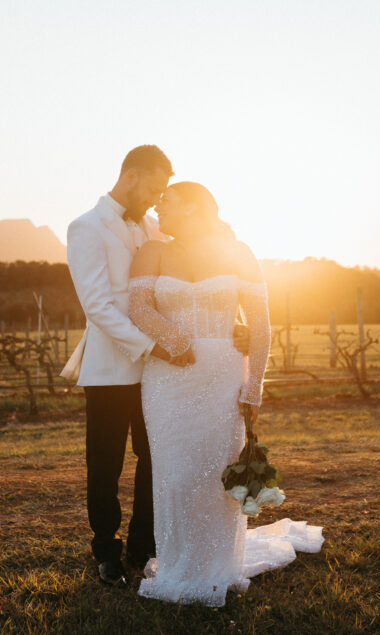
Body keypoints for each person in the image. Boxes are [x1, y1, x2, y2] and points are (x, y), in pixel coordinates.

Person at [127, 181, 323, 606]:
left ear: (195, 209)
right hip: (167, 380)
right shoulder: (152, 251)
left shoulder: (239, 253)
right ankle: (178, 563)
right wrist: (176, 342)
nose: (159, 207)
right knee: (175, 475)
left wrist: (254, 388)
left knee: (216, 471)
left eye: (168, 201)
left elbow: (260, 323)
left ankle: (219, 563)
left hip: (223, 377)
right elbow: (139, 307)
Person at [63, 146, 248, 588]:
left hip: (157, 376)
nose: (156, 198)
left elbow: (197, 282)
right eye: (153, 187)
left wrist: (232, 327)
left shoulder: (152, 227)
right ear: (130, 176)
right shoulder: (85, 227)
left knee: (156, 459)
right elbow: (98, 306)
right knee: (104, 462)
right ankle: (105, 551)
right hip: (111, 367)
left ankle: (143, 546)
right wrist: (154, 346)